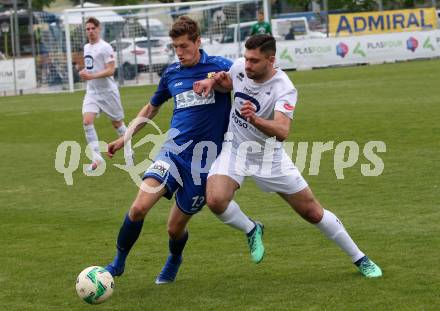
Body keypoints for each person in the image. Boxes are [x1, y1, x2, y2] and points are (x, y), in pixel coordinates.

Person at [193, 34, 382, 278]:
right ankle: (252, 229)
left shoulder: (284, 88)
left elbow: (282, 131)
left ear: (271, 60)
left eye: (254, 61)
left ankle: (360, 258)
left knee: (312, 212)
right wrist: (211, 82)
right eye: (246, 58)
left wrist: (255, 119)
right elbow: (230, 83)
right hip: (235, 149)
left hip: (269, 157)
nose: (247, 64)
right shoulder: (241, 67)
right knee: (216, 200)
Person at [104, 16, 263, 284]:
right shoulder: (172, 73)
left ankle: (175, 258)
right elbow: (151, 108)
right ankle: (117, 263)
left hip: (204, 163)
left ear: (198, 42)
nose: (179, 53)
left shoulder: (221, 67)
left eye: (184, 46)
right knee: (139, 207)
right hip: (172, 153)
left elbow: (253, 80)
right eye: (175, 47)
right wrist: (125, 138)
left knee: (174, 228)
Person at [80, 17, 134, 171]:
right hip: (92, 91)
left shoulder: (105, 47)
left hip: (108, 92)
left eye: (92, 28)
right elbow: (91, 68)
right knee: (87, 121)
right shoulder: (86, 47)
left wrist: (92, 76)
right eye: (87, 29)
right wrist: (85, 73)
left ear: (99, 29)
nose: (90, 31)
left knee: (118, 124)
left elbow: (111, 70)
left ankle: (129, 151)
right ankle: (97, 158)